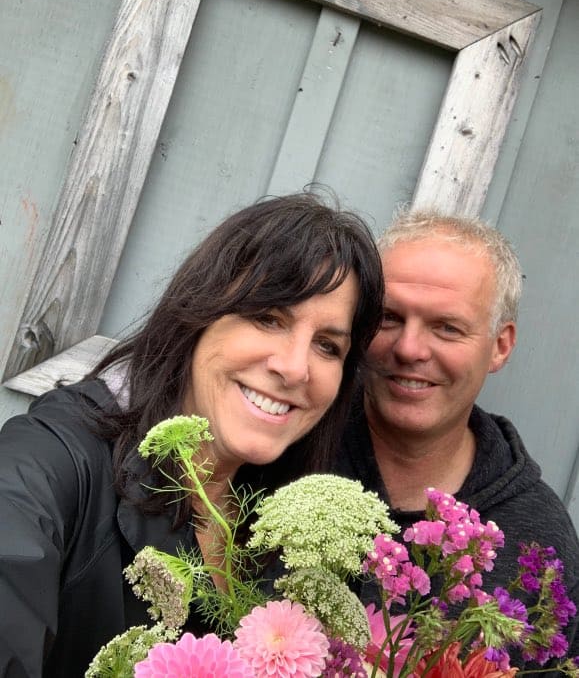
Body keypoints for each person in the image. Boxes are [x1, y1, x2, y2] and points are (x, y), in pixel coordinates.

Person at [0, 192, 384, 678]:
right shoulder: (48, 464)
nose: (294, 368)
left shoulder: (296, 537)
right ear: (198, 313)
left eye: (328, 345)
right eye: (269, 318)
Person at [335, 207, 579, 663]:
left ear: (500, 345)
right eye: (388, 318)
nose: (409, 348)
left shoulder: (538, 539)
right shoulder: (293, 446)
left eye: (447, 327)